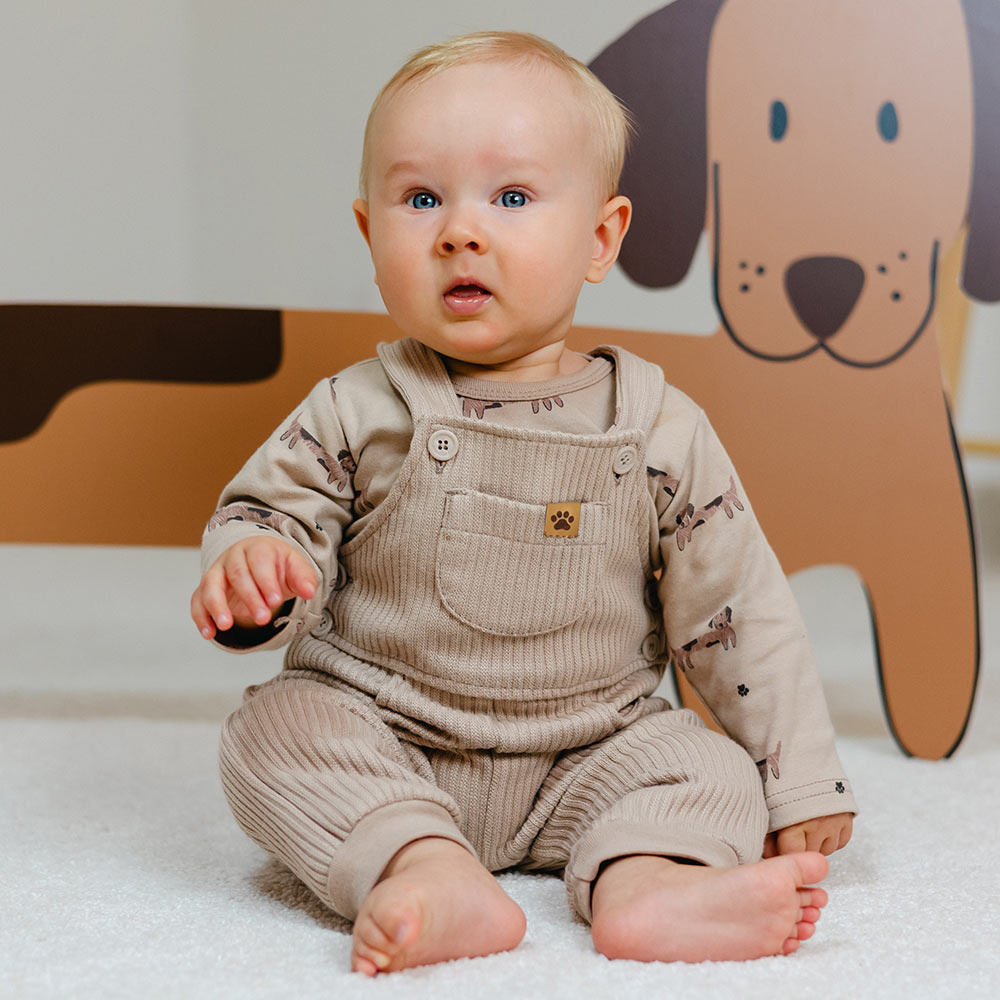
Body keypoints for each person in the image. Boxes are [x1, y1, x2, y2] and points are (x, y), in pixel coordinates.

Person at [190, 30, 856, 976]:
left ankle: (649, 885)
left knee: (708, 768)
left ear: (600, 239)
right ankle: (424, 866)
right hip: (390, 732)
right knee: (273, 732)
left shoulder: (657, 427)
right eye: (422, 199)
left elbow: (736, 606)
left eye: (511, 198)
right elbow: (273, 514)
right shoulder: (357, 408)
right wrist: (256, 569)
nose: (460, 232)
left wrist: (800, 776)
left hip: (592, 748)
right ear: (370, 235)